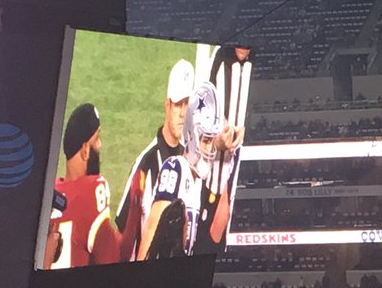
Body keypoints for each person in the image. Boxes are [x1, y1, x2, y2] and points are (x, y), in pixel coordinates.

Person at [139, 82, 242, 259]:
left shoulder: (198, 184)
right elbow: (151, 231)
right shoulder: (175, 169)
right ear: (191, 136)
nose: (210, 150)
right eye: (206, 141)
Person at [115, 59, 193, 261]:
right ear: (167, 105)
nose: (182, 113)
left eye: (187, 104)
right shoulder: (146, 163)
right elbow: (122, 231)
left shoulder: (190, 160)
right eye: (177, 105)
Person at [47, 103, 122, 269]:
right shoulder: (91, 191)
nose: (100, 145)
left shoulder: (51, 193)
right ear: (85, 150)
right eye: (97, 139)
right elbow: (112, 257)